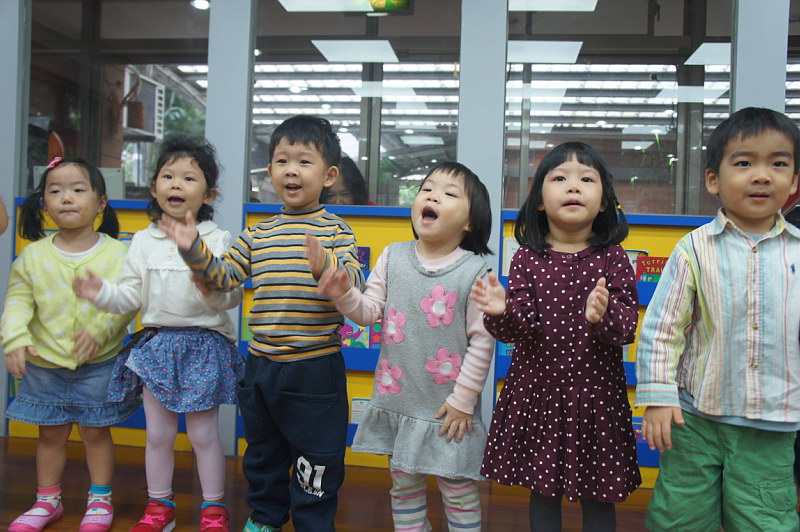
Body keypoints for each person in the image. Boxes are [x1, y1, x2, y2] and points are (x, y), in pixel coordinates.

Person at [159, 115, 365, 532]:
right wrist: (193, 250)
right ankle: (265, 518)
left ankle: (312, 523)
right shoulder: (257, 234)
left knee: (317, 457)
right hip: (262, 367)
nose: (291, 170)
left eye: (304, 162)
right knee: (262, 453)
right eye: (282, 161)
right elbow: (223, 278)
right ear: (270, 171)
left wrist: (331, 272)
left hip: (315, 368)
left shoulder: (336, 230)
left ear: (328, 176)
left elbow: (354, 282)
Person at [635, 107, 800, 531]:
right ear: (713, 179)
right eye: (743, 163)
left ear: (794, 182)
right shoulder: (693, 249)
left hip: (772, 422)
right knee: (680, 516)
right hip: (694, 417)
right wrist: (658, 397)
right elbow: (662, 329)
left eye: (778, 164)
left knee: (766, 520)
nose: (761, 176)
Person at [73, 137, 244, 532]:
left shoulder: (217, 238)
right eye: (168, 176)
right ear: (154, 188)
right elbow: (130, 296)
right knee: (158, 434)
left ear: (209, 194)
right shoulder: (143, 241)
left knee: (204, 435)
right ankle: (159, 506)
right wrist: (102, 293)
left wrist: (210, 287)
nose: (176, 184)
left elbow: (231, 296)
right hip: (157, 346)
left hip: (203, 346)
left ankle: (213, 509)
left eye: (189, 178)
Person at [314, 161, 494, 531]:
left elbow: (482, 341)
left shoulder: (476, 271)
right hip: (400, 404)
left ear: (470, 223)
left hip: (449, 412)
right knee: (404, 489)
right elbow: (367, 312)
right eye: (427, 189)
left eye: (449, 193)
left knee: (459, 492)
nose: (433, 196)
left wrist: (463, 401)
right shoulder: (392, 256)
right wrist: (343, 293)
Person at [471, 141, 640, 532]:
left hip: (597, 398)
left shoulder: (613, 256)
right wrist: (501, 311)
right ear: (539, 202)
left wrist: (603, 315)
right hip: (539, 395)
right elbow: (520, 327)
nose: (573, 186)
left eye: (587, 179)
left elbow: (626, 326)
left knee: (600, 495)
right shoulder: (526, 258)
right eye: (560, 178)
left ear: (604, 203)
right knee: (543, 492)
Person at [2, 157, 137, 532]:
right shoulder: (32, 256)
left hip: (100, 363)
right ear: (44, 204)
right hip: (44, 365)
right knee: (50, 434)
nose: (66, 197)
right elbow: (17, 301)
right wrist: (14, 339)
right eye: (55, 190)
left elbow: (127, 304)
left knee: (95, 433)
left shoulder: (118, 253)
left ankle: (100, 499)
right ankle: (47, 501)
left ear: (101, 202)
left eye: (78, 189)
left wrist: (99, 332)